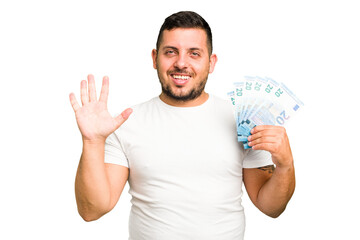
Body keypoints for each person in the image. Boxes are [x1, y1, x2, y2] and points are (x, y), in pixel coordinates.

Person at [69, 11, 295, 240]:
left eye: (194, 53)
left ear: (211, 62)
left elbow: (271, 207)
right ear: (155, 58)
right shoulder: (126, 123)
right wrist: (92, 142)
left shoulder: (242, 122)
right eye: (171, 52)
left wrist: (285, 164)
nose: (181, 63)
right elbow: (92, 210)